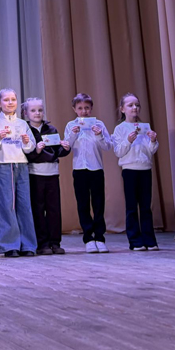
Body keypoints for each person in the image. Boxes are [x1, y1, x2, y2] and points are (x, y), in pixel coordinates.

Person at [0, 88, 37, 257]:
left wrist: (26, 141)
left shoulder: (22, 124)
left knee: (24, 204)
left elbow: (30, 148)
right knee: (7, 204)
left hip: (21, 164)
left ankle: (28, 245)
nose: (10, 102)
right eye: (6, 100)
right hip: (3, 165)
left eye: (13, 99)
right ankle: (10, 245)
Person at [64, 93, 113, 253]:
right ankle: (88, 238)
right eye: (80, 108)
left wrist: (99, 135)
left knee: (98, 204)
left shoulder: (99, 124)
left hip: (96, 169)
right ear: (74, 109)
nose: (83, 111)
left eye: (86, 108)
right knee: (83, 205)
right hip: (79, 170)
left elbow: (108, 146)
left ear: (91, 108)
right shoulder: (71, 125)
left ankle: (100, 237)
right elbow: (67, 146)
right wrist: (73, 134)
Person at [21, 97, 70, 255]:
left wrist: (65, 149)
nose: (37, 113)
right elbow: (25, 155)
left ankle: (55, 242)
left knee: (54, 209)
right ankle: (42, 244)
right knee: (38, 210)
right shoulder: (25, 130)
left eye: (40, 110)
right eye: (33, 110)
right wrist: (37, 151)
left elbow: (57, 152)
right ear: (26, 113)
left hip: (52, 174)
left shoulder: (51, 129)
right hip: (35, 174)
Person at [112, 93, 159, 251]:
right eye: (130, 105)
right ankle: (135, 241)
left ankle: (149, 240)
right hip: (129, 170)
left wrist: (153, 140)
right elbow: (118, 151)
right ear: (122, 109)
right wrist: (128, 140)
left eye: (137, 105)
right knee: (132, 207)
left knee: (145, 207)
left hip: (145, 169)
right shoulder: (120, 129)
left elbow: (150, 151)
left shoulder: (145, 127)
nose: (135, 108)